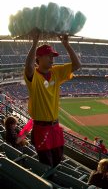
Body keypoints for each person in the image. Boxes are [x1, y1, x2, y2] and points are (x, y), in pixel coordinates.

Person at [24, 31, 81, 167]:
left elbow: (77, 65)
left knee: (58, 162)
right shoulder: (34, 76)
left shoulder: (56, 72)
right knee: (47, 164)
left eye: (52, 56)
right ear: (39, 58)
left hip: (55, 127)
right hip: (41, 128)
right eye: (48, 56)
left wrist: (66, 45)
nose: (52, 59)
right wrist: (34, 44)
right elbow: (29, 67)